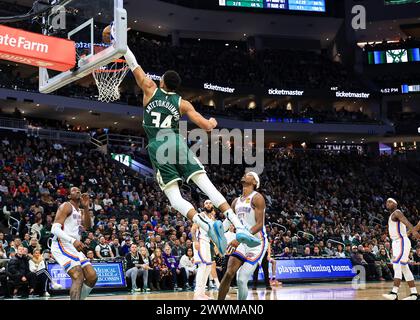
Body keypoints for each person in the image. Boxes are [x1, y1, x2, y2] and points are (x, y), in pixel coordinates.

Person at [123, 47, 260, 256]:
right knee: (207, 186)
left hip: (157, 146)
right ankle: (238, 225)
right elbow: (205, 125)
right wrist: (212, 122)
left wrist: (120, 42)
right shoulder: (182, 103)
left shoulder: (150, 89)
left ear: (162, 82)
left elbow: (133, 64)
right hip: (177, 143)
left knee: (175, 199)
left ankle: (206, 226)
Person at [218, 172, 267, 300]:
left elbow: (259, 225)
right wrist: (215, 234)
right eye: (245, 174)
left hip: (257, 242)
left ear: (255, 182)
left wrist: (239, 239)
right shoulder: (235, 201)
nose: (246, 175)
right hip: (241, 242)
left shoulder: (257, 198)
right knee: (229, 273)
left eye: (250, 174)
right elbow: (227, 222)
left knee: (241, 278)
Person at [50, 187, 98, 300]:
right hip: (62, 244)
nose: (77, 191)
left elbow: (87, 227)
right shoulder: (66, 206)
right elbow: (54, 229)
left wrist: (86, 207)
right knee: (78, 276)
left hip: (74, 247)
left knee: (92, 276)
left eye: (78, 190)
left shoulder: (80, 211)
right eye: (73, 190)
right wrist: (73, 240)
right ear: (69, 196)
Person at [382, 198, 420, 300]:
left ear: (396, 204)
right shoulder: (392, 216)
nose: (387, 203)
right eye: (387, 202)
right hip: (397, 242)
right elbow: (405, 230)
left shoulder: (397, 212)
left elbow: (406, 221)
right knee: (404, 267)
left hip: (400, 241)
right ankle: (414, 294)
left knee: (397, 264)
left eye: (390, 202)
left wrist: (413, 231)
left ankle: (394, 293)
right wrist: (413, 230)